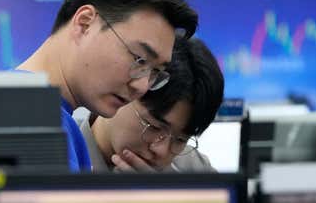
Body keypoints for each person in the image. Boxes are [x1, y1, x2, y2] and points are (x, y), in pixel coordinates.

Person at [16, 0, 198, 171]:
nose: (142, 86)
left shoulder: (41, 118)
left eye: (155, 72)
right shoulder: (39, 132)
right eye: (139, 59)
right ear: (85, 23)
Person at [78, 37, 224, 172]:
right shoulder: (61, 159)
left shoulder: (194, 172)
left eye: (180, 140)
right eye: (153, 127)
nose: (161, 150)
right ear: (125, 90)